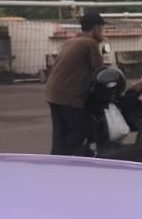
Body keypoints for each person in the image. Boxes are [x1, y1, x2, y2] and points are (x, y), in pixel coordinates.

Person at [45, 11, 106, 155]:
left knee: (60, 132)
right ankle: (73, 155)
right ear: (96, 27)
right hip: (70, 96)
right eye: (101, 28)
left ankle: (58, 158)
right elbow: (100, 71)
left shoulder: (72, 41)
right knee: (84, 129)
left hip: (54, 93)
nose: (102, 32)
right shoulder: (89, 43)